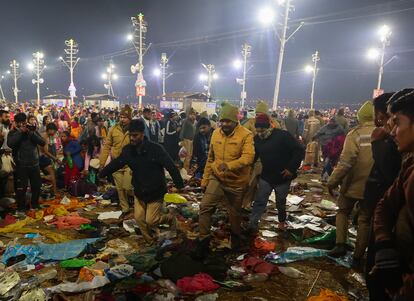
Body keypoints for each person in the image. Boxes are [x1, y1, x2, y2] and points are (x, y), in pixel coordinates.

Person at [99, 119, 184, 245]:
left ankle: (170, 218)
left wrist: (179, 185)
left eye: (135, 135)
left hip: (156, 190)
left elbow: (171, 166)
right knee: (139, 219)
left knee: (151, 220)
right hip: (139, 190)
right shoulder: (128, 150)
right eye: (130, 135)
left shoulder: (156, 149)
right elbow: (117, 163)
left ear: (142, 134)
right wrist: (101, 173)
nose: (132, 138)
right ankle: (150, 241)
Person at [195, 104, 255, 258]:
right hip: (217, 177)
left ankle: (236, 240)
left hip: (236, 181)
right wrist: (205, 180)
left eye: (228, 121)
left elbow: (248, 157)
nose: (225, 124)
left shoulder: (246, 135)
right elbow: (210, 158)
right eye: (222, 121)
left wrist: (229, 166)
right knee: (205, 207)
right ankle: (203, 241)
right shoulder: (216, 133)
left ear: (236, 121)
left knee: (234, 214)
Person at [371, 89, 414, 301]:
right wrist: (385, 246)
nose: (392, 131)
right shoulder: (409, 163)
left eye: (397, 123)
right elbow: (384, 206)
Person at [363, 92, 402, 300]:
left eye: (397, 122)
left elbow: (388, 172)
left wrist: (378, 143)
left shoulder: (392, 145)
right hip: (384, 222)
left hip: (392, 231)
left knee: (379, 280)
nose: (393, 130)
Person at [327, 101, 376, 262]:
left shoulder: (355, 134)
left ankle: (340, 244)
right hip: (373, 185)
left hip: (353, 183)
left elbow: (345, 163)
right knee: (365, 219)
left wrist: (332, 181)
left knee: (342, 212)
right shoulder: (383, 133)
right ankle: (358, 254)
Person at [248, 113, 304, 232]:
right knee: (259, 201)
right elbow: (254, 155)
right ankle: (252, 224)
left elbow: (298, 150)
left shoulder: (282, 135)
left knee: (280, 202)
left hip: (282, 177)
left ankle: (282, 222)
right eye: (257, 127)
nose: (260, 130)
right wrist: (248, 167)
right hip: (266, 176)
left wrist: (291, 168)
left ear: (268, 126)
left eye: (262, 127)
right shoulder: (257, 139)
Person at [8, 113, 46, 213]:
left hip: (34, 164)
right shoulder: (12, 133)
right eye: (20, 123)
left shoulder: (32, 130)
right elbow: (10, 144)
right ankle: (21, 208)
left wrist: (31, 133)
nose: (23, 125)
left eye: (24, 123)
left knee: (36, 186)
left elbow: (42, 142)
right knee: (21, 188)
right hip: (21, 165)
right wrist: (20, 132)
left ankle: (35, 204)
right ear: (16, 123)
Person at [99, 105, 133, 213]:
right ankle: (125, 208)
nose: (122, 119)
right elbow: (107, 146)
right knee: (119, 189)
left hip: (130, 164)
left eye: (125, 117)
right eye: (121, 117)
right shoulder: (113, 129)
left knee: (127, 187)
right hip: (116, 164)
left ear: (130, 118)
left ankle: (133, 201)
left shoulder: (134, 130)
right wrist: (102, 163)